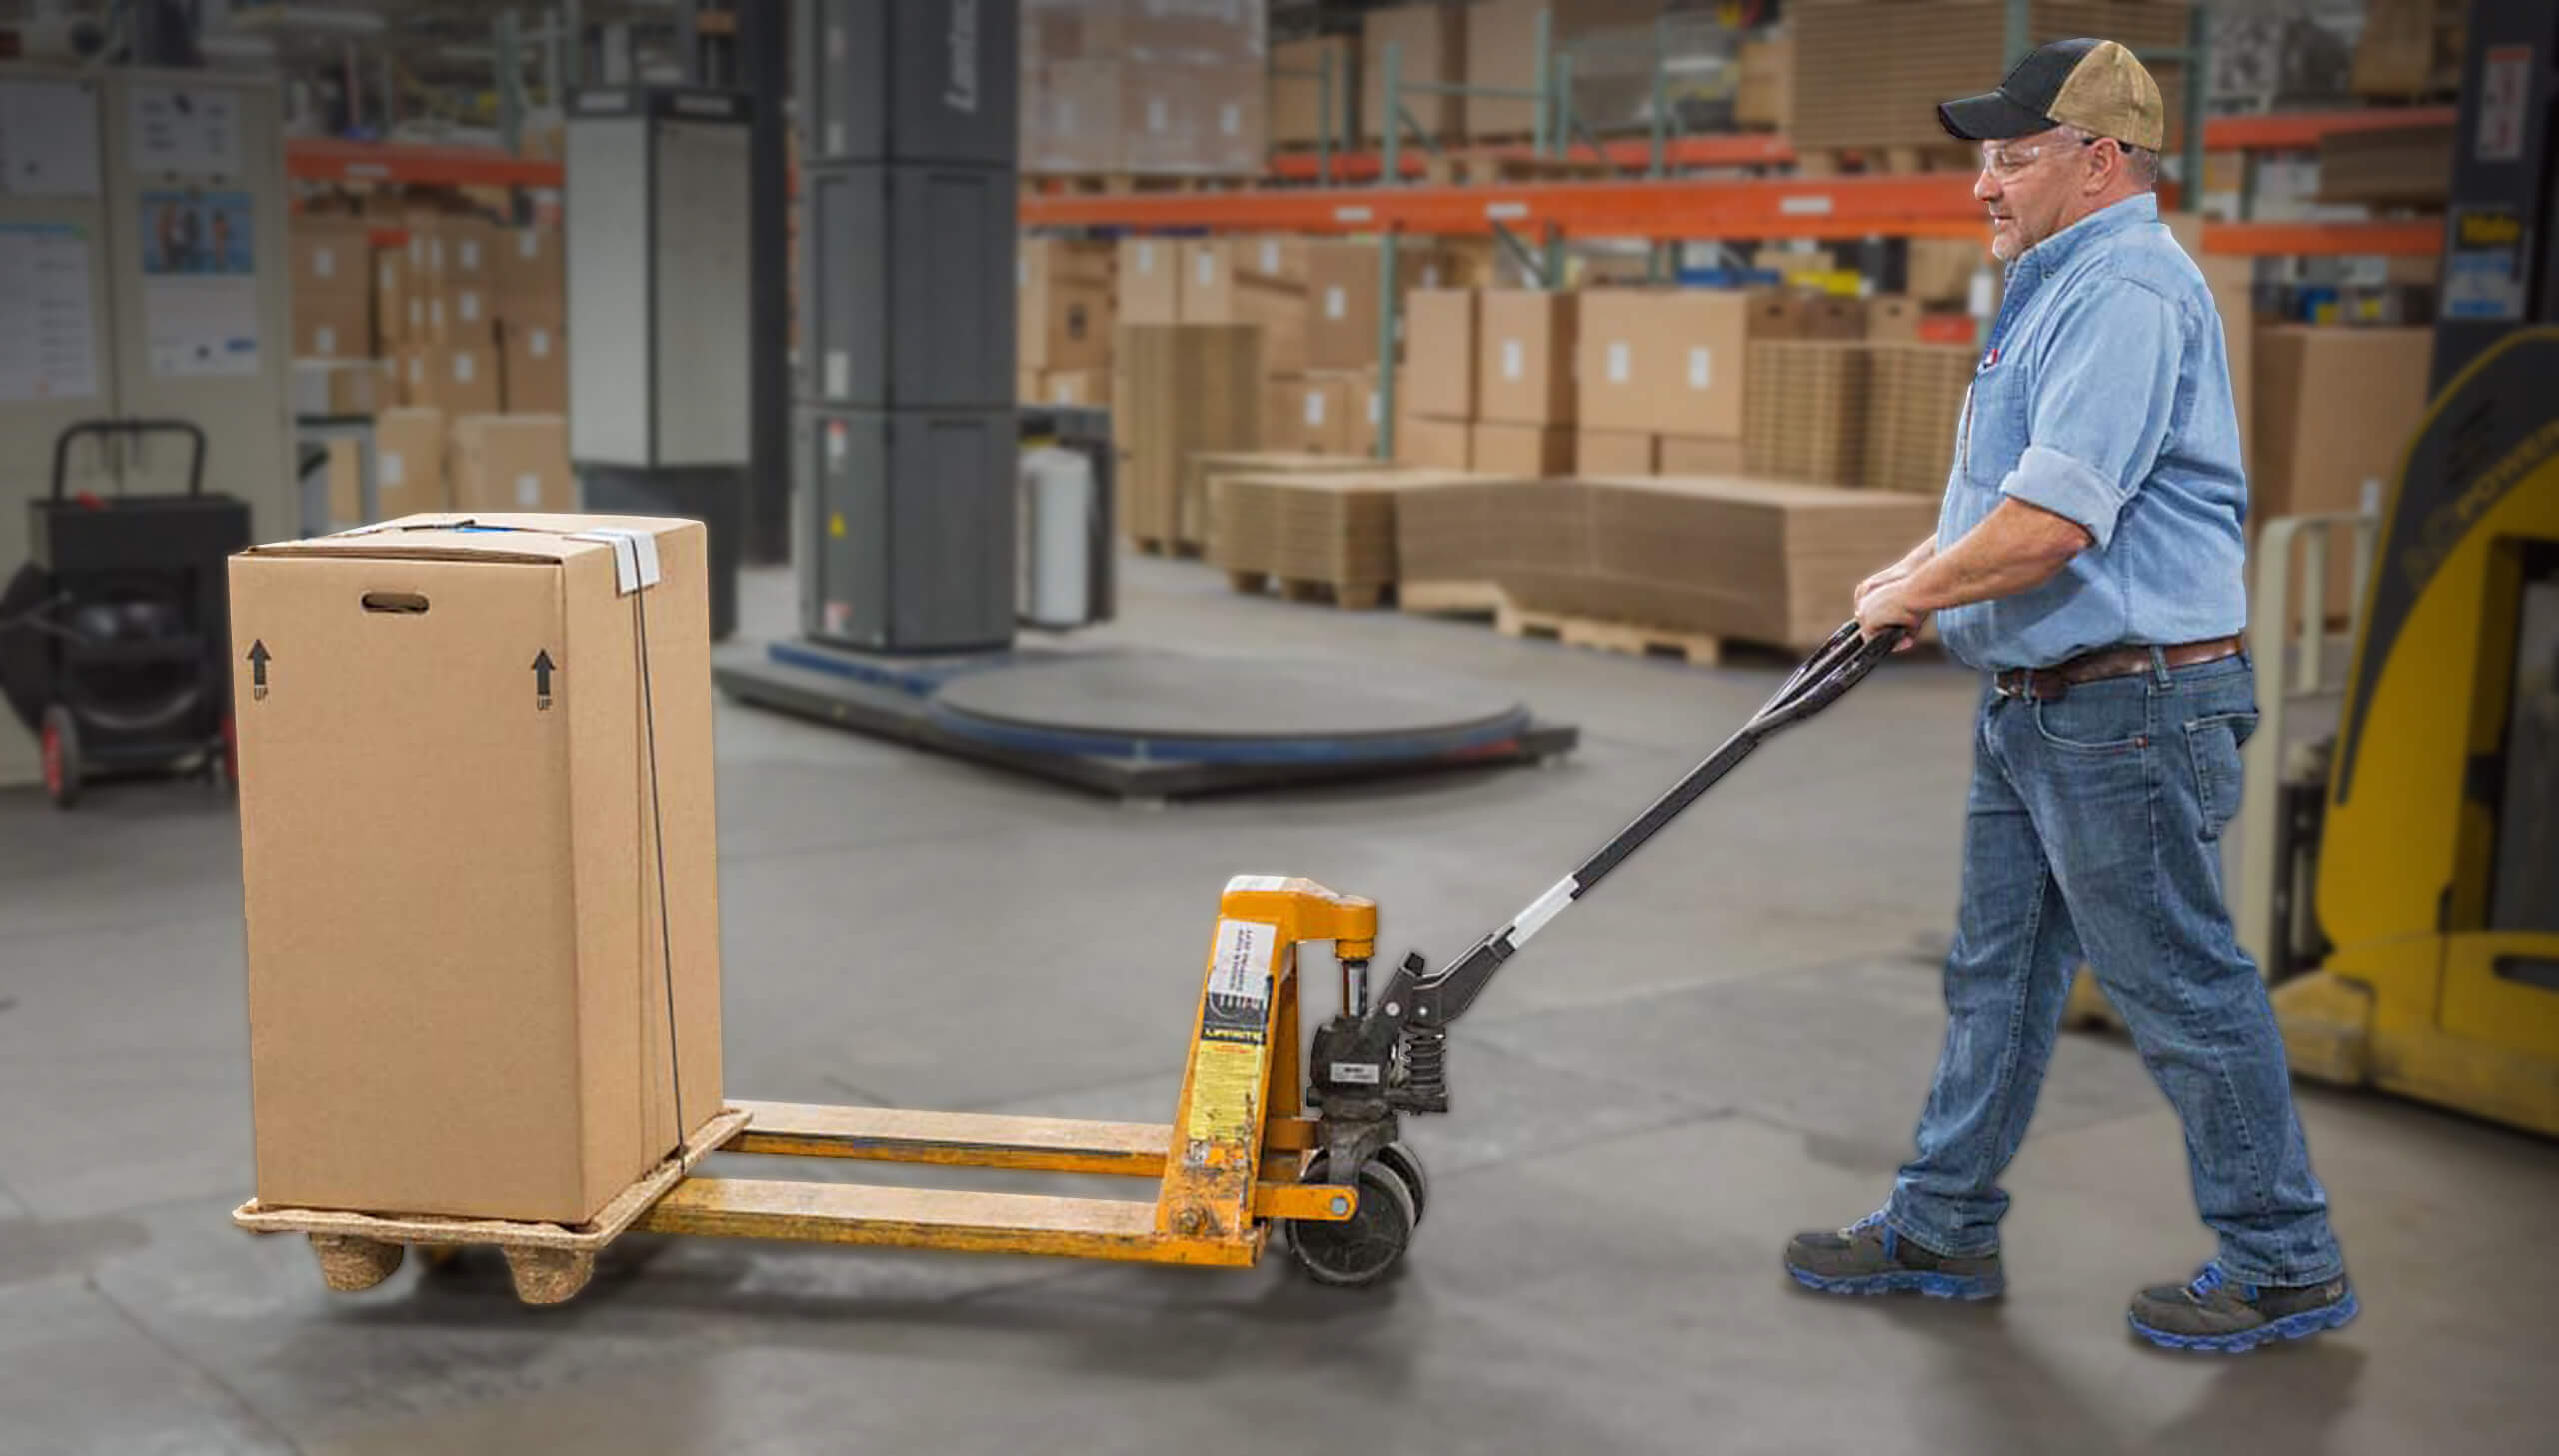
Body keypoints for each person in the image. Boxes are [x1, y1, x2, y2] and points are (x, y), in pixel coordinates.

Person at [1784, 37, 2356, 1354]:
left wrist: (1926, 593)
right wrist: (1921, 568)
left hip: (2127, 707)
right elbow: (2011, 502)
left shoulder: (2127, 295)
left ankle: (2287, 1257)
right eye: (1983, 158)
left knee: (2180, 985)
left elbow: (2051, 524)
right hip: (2046, 697)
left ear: (2098, 162)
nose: (1983, 185)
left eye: (2011, 157)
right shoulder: (2061, 284)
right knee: (1998, 976)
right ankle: (1942, 1219)